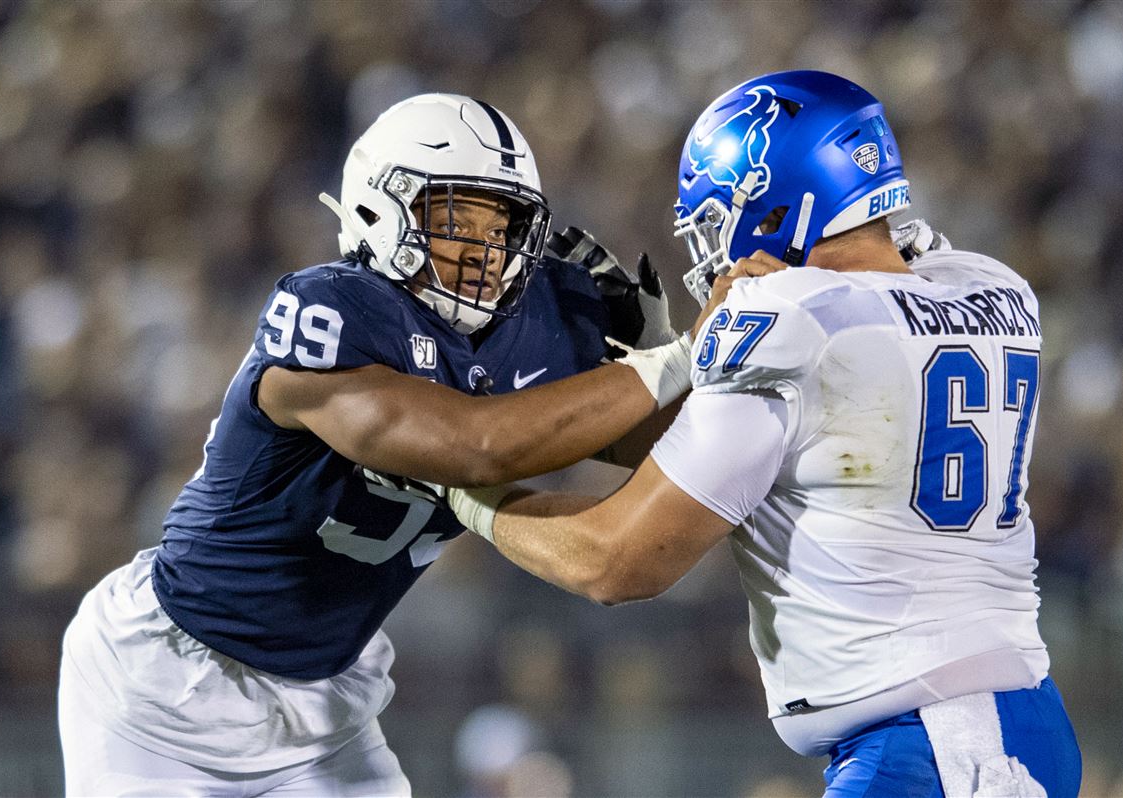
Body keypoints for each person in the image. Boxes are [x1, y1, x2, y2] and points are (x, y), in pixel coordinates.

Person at [448, 71, 1082, 798]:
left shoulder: (792, 318)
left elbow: (616, 561)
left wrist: (470, 495)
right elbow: (786, 437)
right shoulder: (992, 286)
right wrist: (668, 366)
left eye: (717, 220)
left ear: (780, 205)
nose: (714, 251)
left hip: (935, 746)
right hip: (1000, 725)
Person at [56, 93, 697, 796]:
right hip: (165, 685)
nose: (485, 250)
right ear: (379, 208)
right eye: (455, 220)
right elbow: (477, 446)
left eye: (501, 224)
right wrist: (676, 363)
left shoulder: (539, 321)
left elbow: (665, 450)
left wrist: (662, 359)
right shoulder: (332, 307)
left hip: (327, 692)